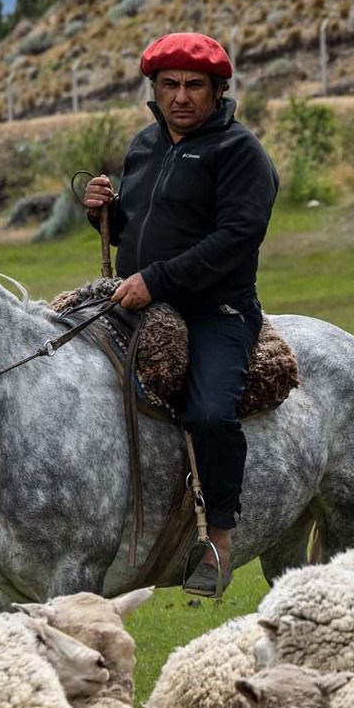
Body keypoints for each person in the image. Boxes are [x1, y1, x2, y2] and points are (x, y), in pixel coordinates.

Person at [82, 32, 279, 598]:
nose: (181, 96)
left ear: (218, 91)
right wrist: (104, 214)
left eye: (195, 85)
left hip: (216, 310)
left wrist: (157, 280)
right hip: (137, 300)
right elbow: (141, 228)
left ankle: (217, 541)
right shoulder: (145, 145)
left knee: (211, 413)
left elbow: (236, 239)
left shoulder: (239, 151)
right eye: (169, 85)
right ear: (154, 89)